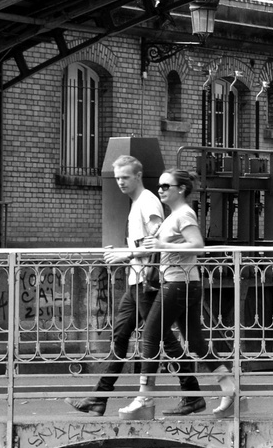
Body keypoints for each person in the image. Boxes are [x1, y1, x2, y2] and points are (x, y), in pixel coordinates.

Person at [119, 168, 232, 417]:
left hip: (178, 284)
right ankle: (229, 386)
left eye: (165, 186)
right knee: (194, 341)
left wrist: (162, 245)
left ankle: (144, 399)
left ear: (180, 189)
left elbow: (199, 246)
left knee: (150, 335)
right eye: (159, 185)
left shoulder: (184, 214)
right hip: (183, 283)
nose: (160, 190)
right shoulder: (173, 216)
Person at [70, 155, 164, 416]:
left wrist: (127, 255)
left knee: (162, 339)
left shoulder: (147, 201)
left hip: (147, 282)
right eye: (118, 178)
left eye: (125, 177)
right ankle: (99, 398)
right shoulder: (137, 204)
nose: (120, 182)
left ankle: (194, 390)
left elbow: (158, 240)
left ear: (138, 176)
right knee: (120, 337)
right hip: (137, 282)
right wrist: (126, 250)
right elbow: (145, 243)